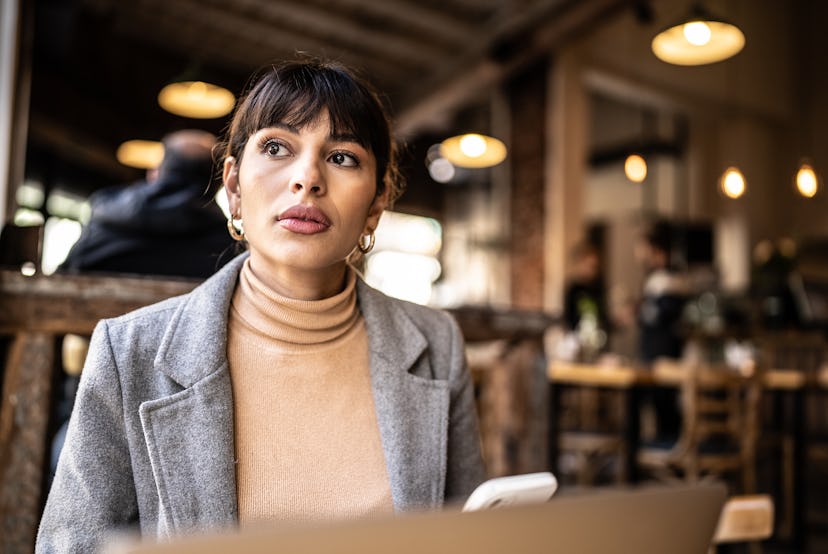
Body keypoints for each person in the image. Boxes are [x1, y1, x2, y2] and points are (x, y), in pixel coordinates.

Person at [36, 59, 486, 553]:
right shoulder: (129, 353)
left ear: (377, 201)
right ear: (232, 185)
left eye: (342, 158)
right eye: (276, 147)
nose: (307, 179)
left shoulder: (437, 345)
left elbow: (466, 537)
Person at [59, 129, 235, 279]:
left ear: (155, 172)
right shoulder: (228, 249)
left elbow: (62, 278)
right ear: (220, 182)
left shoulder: (106, 219)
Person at [636, 221, 689, 441]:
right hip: (660, 351)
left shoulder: (668, 280)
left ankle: (667, 453)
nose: (639, 253)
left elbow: (661, 317)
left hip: (662, 353)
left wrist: (638, 311)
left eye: (642, 247)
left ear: (655, 250)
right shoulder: (663, 278)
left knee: (664, 404)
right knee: (660, 405)